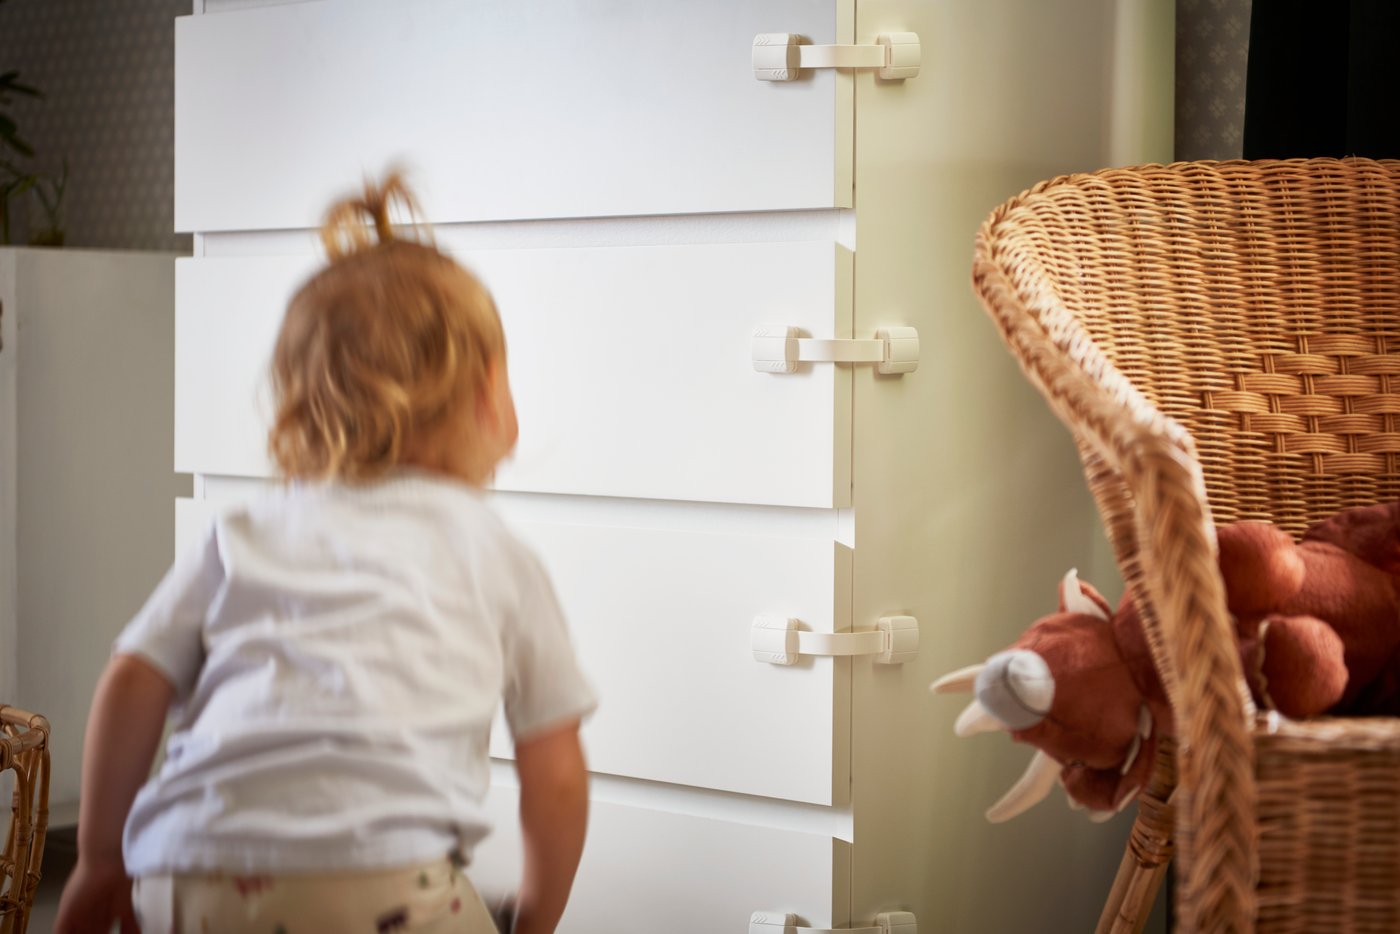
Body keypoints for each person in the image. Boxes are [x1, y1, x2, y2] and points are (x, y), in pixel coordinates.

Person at [54, 173, 596, 934]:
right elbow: (557, 768)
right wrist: (537, 918)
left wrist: (101, 859)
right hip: (379, 886)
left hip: (187, 868)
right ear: (486, 397)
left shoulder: (244, 529)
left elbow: (132, 679)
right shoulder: (493, 551)